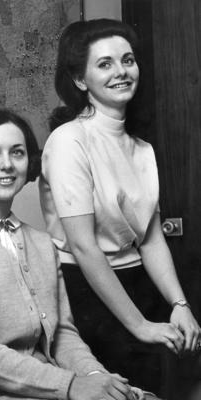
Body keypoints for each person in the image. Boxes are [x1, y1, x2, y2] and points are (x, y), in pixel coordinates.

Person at [39, 18, 201, 394]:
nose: (121, 72)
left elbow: (150, 239)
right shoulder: (69, 141)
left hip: (139, 283)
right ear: (81, 80)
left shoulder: (141, 149)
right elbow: (83, 246)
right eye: (105, 64)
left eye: (127, 60)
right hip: (86, 291)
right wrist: (140, 325)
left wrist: (179, 304)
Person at [0, 106, 142, 400]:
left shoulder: (42, 242)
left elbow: (63, 334)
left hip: (56, 386)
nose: (7, 165)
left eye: (17, 152)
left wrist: (96, 378)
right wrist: (71, 385)